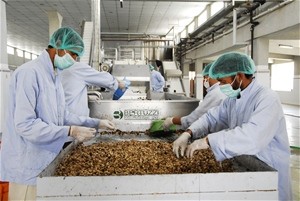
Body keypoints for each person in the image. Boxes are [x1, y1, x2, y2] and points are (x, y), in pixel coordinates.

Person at [0, 27, 115, 200]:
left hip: (46, 161)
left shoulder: (54, 76)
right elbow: (25, 125)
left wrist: (95, 123)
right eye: (73, 54)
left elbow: (64, 115)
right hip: (27, 164)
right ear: (59, 47)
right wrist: (69, 131)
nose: (74, 60)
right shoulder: (29, 73)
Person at [172, 52, 292, 201]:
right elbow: (211, 117)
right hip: (246, 163)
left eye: (223, 81)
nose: (221, 86)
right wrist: (188, 133)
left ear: (239, 76)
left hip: (269, 167)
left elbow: (252, 137)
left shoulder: (267, 98)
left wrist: (207, 141)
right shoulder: (233, 99)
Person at [163, 62, 227, 130]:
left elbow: (195, 118)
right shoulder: (223, 90)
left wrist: (172, 120)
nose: (204, 80)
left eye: (206, 77)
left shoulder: (215, 93)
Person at [61, 62, 129, 116]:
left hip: (63, 117)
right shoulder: (77, 67)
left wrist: (87, 97)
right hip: (73, 120)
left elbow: (69, 91)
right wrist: (118, 83)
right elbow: (102, 79)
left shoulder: (61, 69)